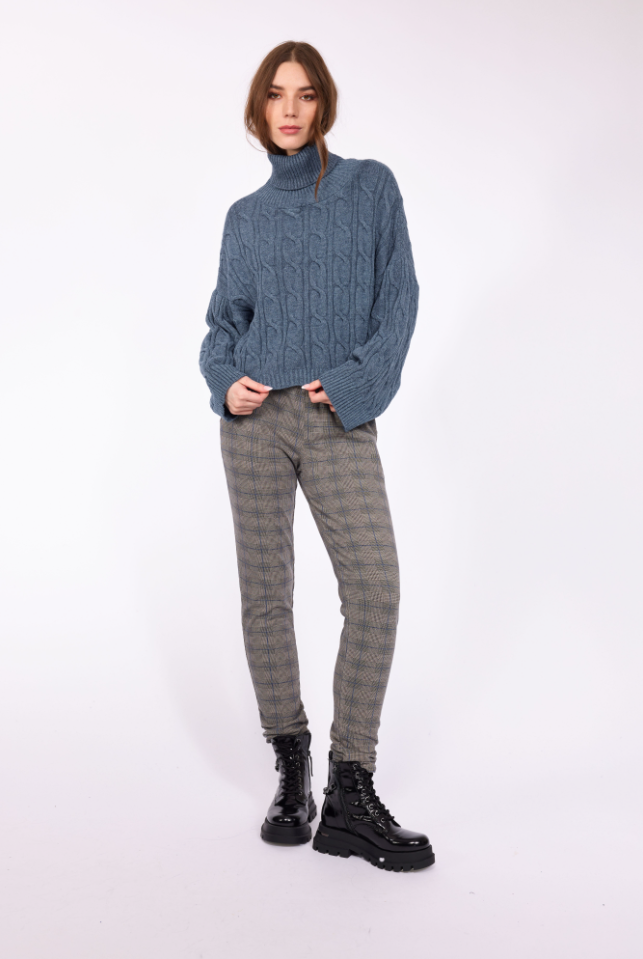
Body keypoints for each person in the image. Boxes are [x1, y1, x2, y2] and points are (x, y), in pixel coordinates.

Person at [199, 41, 434, 872]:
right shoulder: (245, 217)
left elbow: (399, 297)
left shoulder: (370, 187)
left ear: (323, 103)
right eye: (275, 95)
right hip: (254, 421)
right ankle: (290, 765)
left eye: (304, 94)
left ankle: (349, 787)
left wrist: (356, 381)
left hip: (335, 414)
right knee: (266, 596)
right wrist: (222, 380)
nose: (290, 109)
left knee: (374, 587)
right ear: (259, 109)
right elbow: (222, 324)